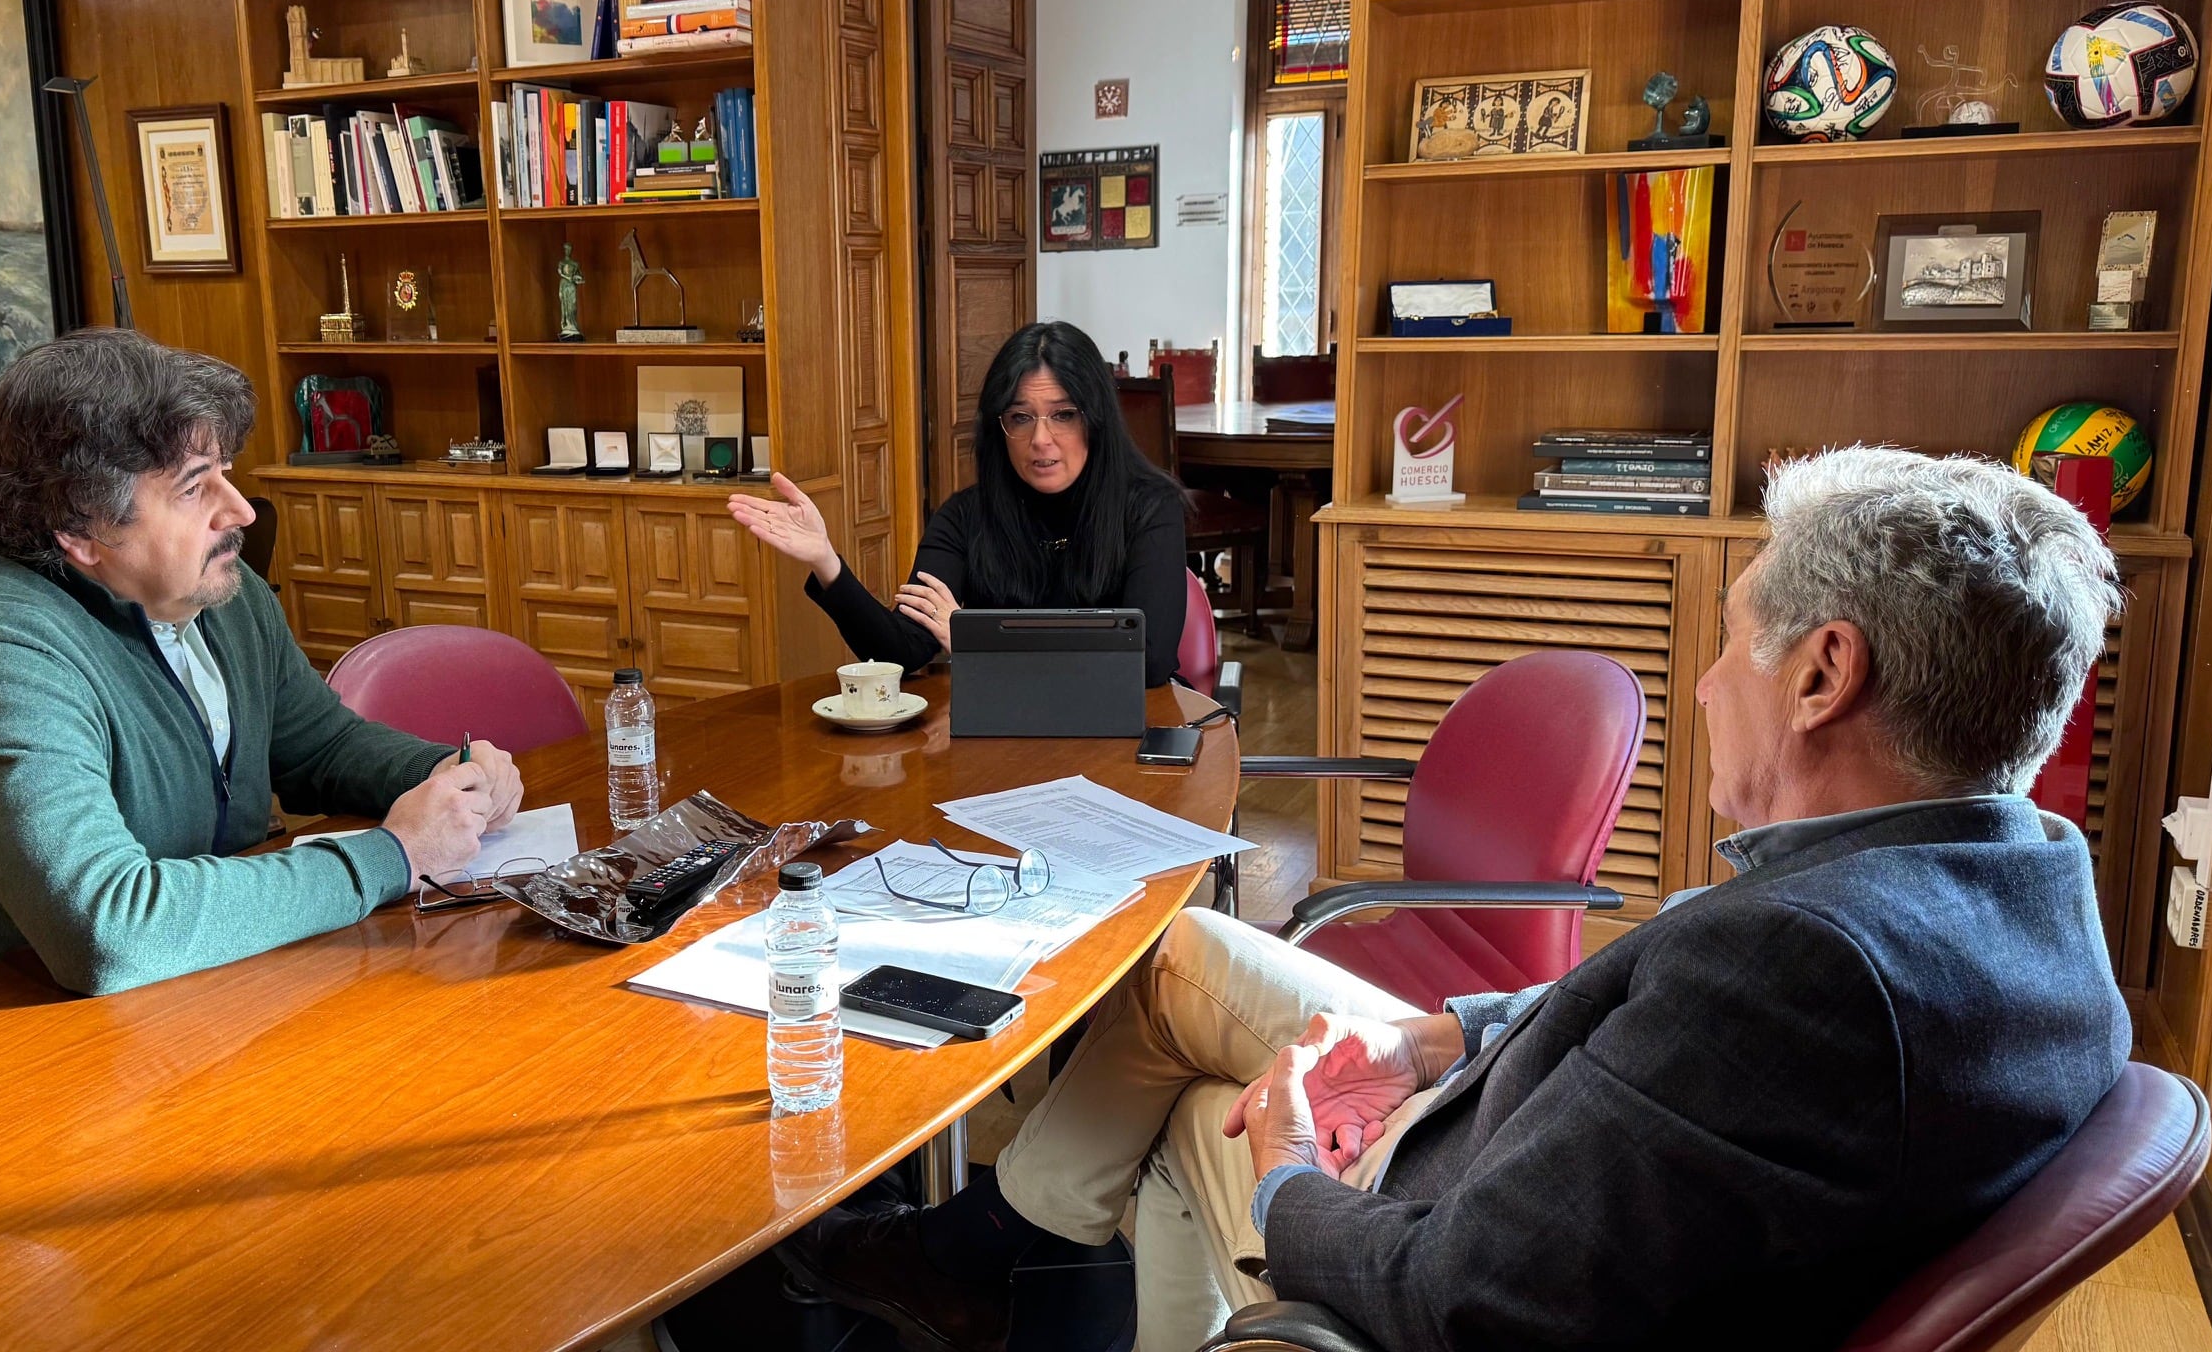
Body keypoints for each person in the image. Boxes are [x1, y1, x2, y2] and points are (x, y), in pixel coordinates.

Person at [779, 446, 2131, 1352]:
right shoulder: (2034, 882)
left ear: (1827, 674)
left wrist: (1292, 1169)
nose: (1710, 683)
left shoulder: (1800, 973)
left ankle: (992, 1247)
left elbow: (1455, 1295)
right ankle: (999, 1239)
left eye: (1731, 638)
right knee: (1182, 958)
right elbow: (1644, 1030)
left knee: (1207, 1114)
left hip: (1448, 1222)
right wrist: (1438, 1036)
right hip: (1516, 1115)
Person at [0, 330, 523, 1031]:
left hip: (163, 1019)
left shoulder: (217, 590)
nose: (240, 510)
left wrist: (445, 774)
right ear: (80, 530)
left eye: (225, 471)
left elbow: (319, 747)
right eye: (193, 488)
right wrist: (394, 856)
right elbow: (112, 929)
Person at [730, 320, 1187, 687]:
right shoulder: (965, 516)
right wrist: (826, 562)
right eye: (1020, 417)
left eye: (1064, 415)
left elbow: (1147, 664)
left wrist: (980, 641)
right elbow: (903, 651)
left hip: (1118, 736)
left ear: (1096, 420)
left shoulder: (1151, 507)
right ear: (999, 427)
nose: (1041, 439)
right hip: (999, 735)